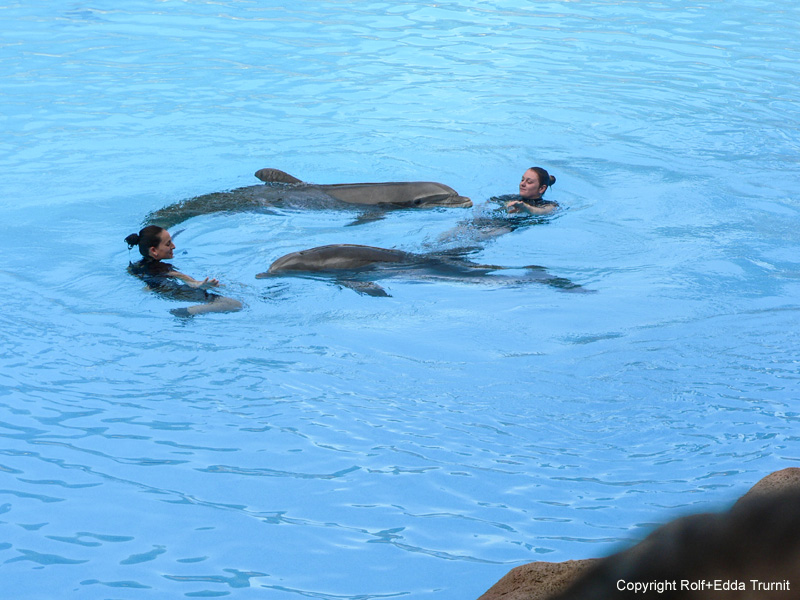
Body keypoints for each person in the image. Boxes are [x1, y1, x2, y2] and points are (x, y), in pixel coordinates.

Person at [124, 226, 242, 317]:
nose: (174, 246)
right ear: (154, 250)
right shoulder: (164, 268)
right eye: (168, 243)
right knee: (235, 304)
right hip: (175, 291)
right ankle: (187, 312)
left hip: (160, 290)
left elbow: (145, 279)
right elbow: (189, 281)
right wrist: (201, 284)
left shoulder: (135, 266)